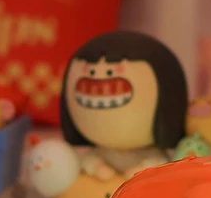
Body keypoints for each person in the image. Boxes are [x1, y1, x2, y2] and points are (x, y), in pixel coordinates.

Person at [59, 31, 188, 179]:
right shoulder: (98, 153)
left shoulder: (154, 156)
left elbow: (158, 163)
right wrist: (98, 167)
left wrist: (141, 170)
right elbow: (88, 160)